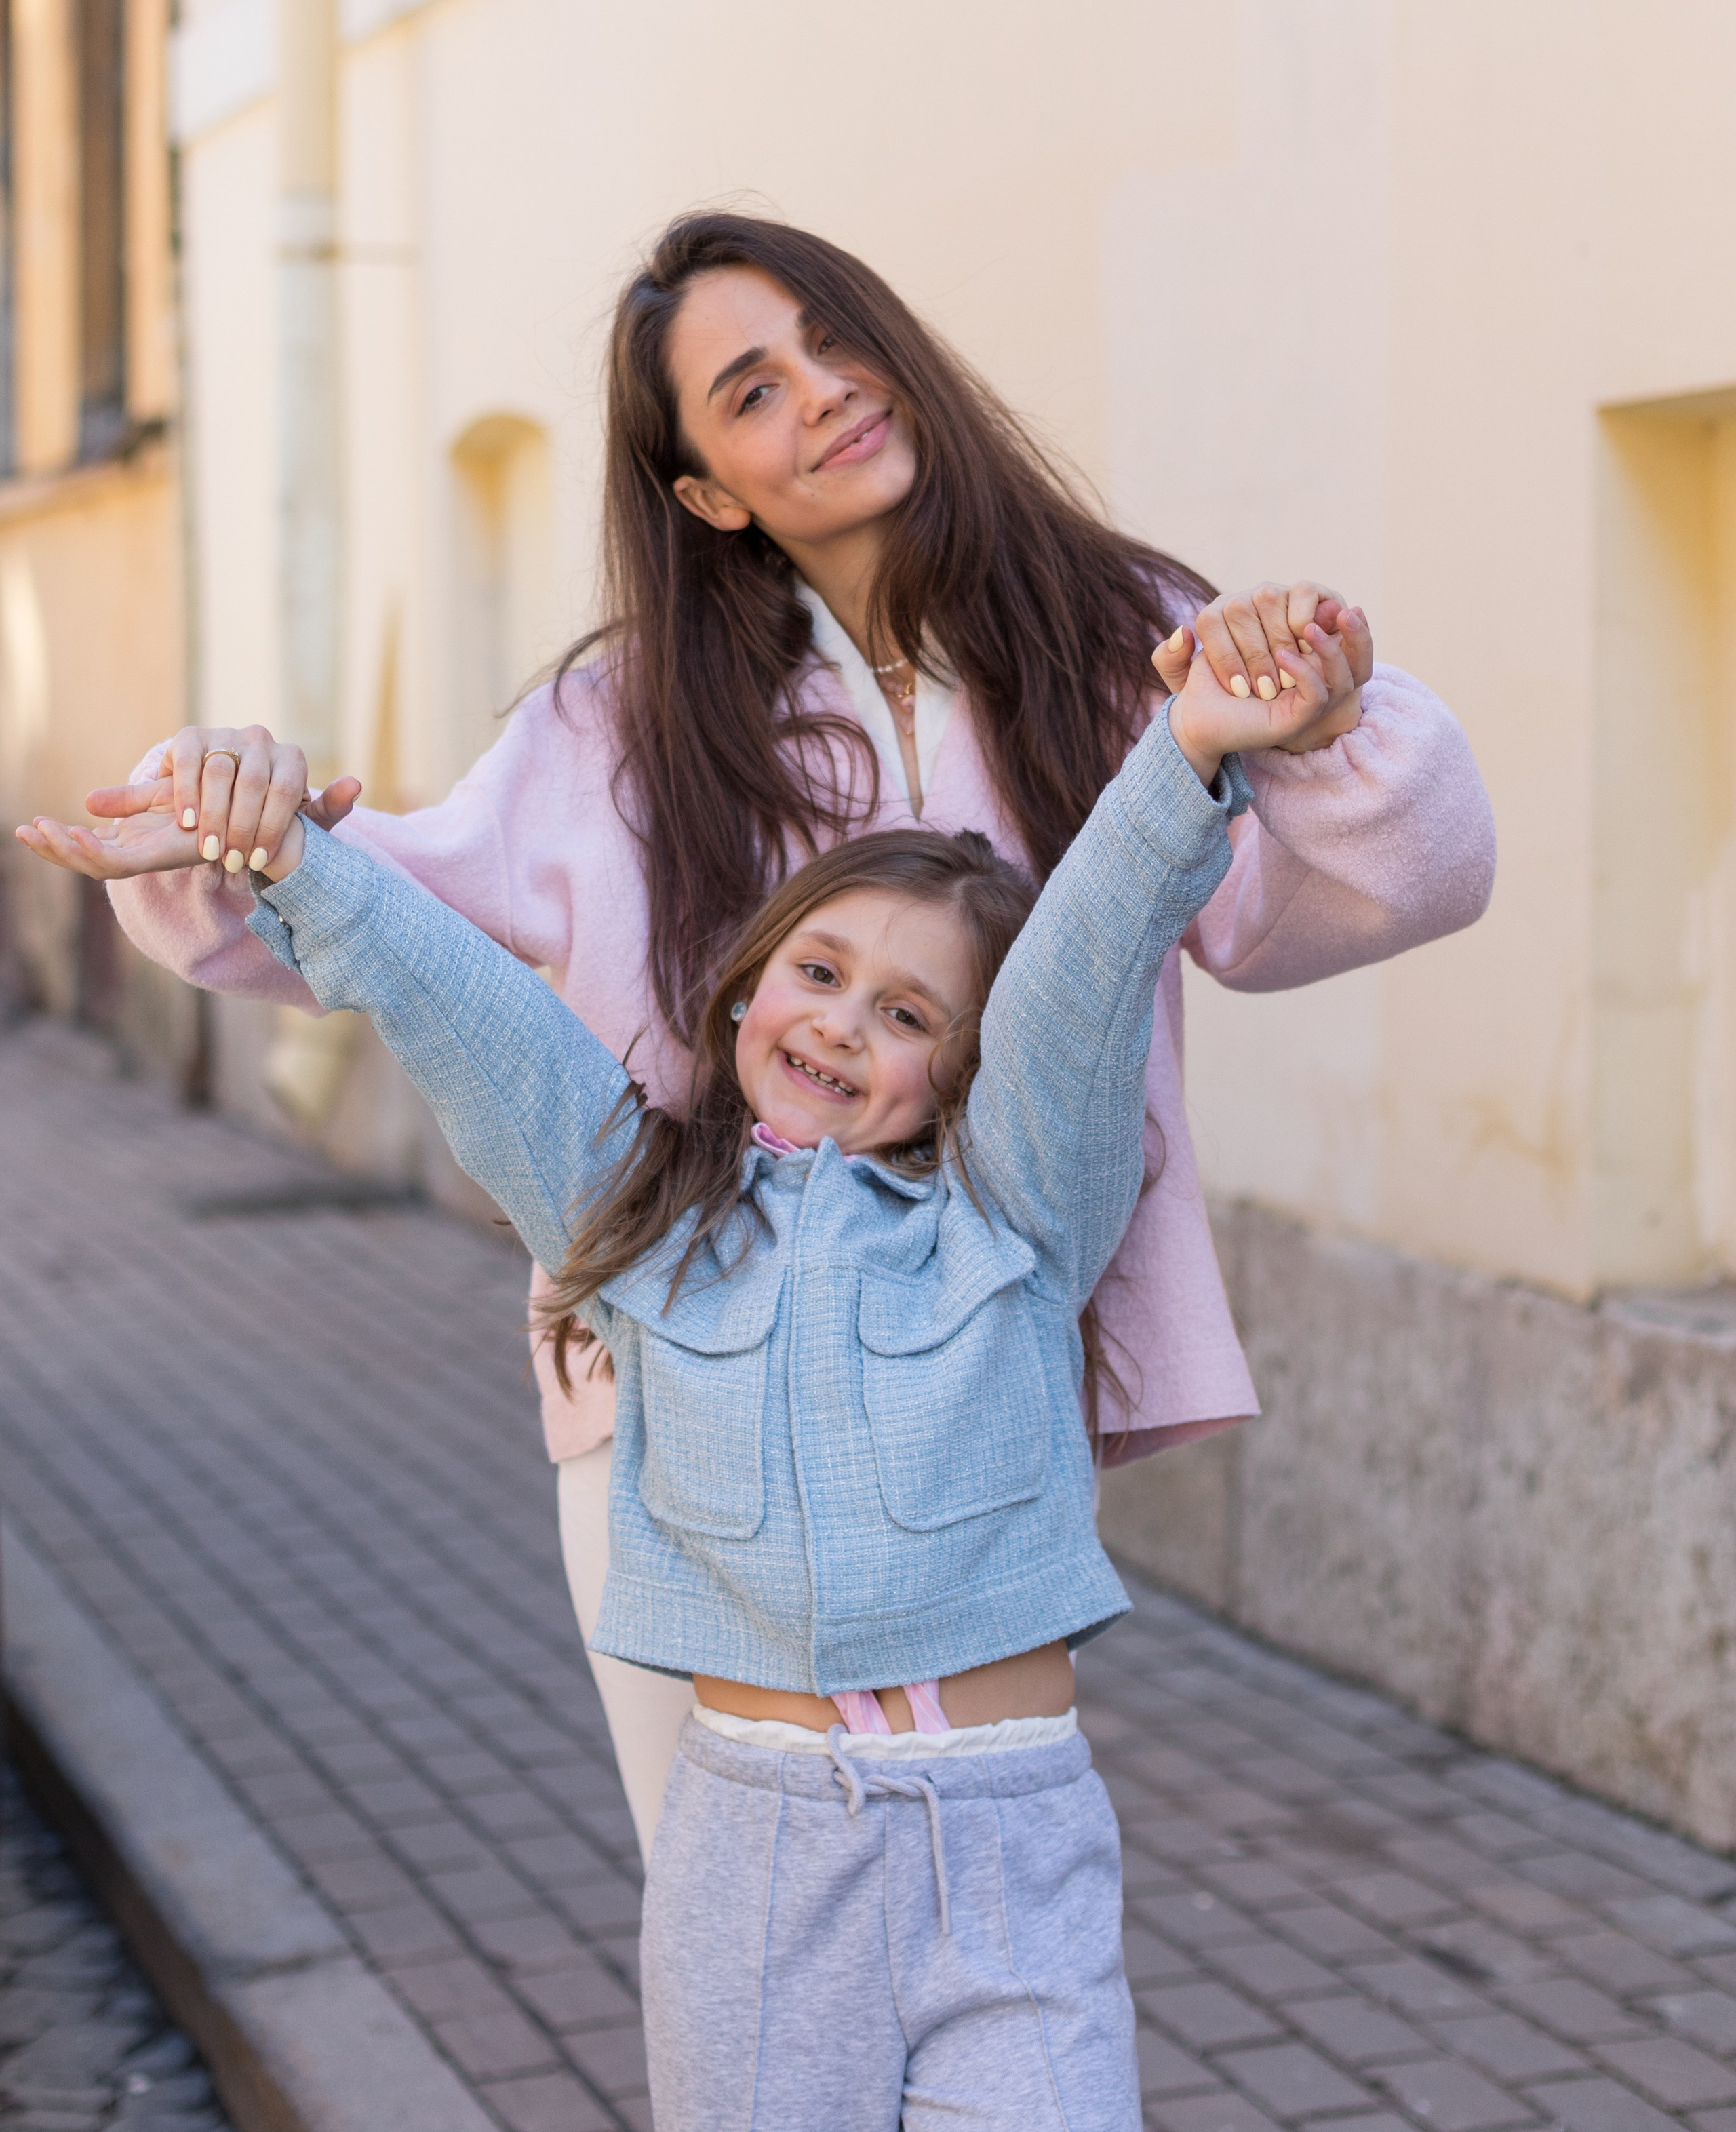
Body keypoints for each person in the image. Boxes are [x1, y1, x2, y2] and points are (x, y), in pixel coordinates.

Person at [68, 213, 1496, 1859]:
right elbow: (372, 912)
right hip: (672, 1410)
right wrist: (216, 806)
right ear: (707, 493)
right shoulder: (620, 724)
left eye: (832, 339)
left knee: (972, 1900)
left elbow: (1399, 879)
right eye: (751, 392)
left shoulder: (1118, 642)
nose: (822, 394)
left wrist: (1327, 718)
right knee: (728, 1925)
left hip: (972, 1402)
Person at [20, 610, 1329, 2128]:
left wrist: (1186, 759)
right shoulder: (637, 1209)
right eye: (818, 972)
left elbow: (1088, 969)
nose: (842, 1024)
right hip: (759, 1869)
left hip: (1008, 1843)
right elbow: (468, 1014)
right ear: (742, 989)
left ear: (963, 1074)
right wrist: (284, 860)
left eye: (907, 1016)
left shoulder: (1015, 1222)